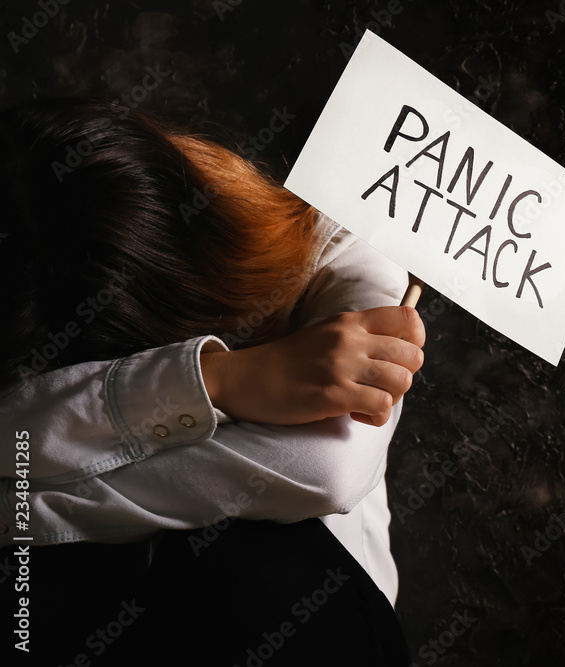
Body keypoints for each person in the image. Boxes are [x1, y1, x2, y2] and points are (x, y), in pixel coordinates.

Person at [0, 98, 422, 664]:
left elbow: (328, 471)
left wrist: (28, 501)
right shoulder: (26, 295)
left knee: (250, 561)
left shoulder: (343, 247)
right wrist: (216, 380)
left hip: (300, 627)